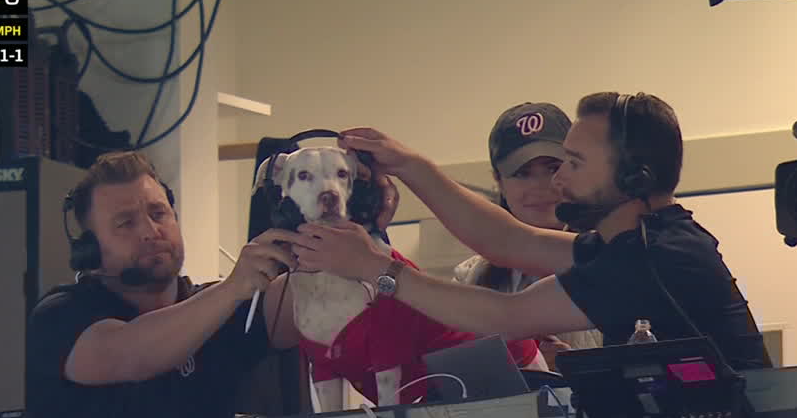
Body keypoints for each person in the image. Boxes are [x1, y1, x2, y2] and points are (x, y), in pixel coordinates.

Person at [288, 92, 772, 372]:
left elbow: (509, 316)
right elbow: (512, 242)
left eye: (573, 165)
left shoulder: (654, 257)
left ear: (633, 178)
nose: (558, 182)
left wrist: (376, 268)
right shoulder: (642, 240)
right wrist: (410, 165)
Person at [25, 150, 399, 418]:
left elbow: (322, 300)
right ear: (88, 250)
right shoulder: (60, 315)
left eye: (159, 213)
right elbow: (130, 354)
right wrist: (233, 288)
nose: (150, 231)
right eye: (126, 223)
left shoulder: (225, 306)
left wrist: (362, 226)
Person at [452, 102, 603, 368]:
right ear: (498, 181)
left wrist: (579, 368)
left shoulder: (614, 259)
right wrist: (524, 365)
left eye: (553, 167)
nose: (540, 186)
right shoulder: (469, 278)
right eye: (522, 173)